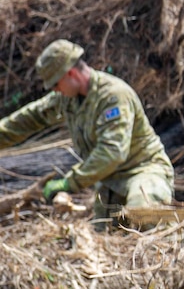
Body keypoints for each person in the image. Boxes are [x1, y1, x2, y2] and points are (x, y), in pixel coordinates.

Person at [0, 39, 174, 221]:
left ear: (71, 74)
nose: (55, 90)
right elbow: (28, 119)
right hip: (109, 182)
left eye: (55, 84)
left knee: (143, 212)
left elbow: (112, 152)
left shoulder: (113, 96)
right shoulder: (68, 98)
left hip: (144, 171)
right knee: (103, 238)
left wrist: (70, 182)